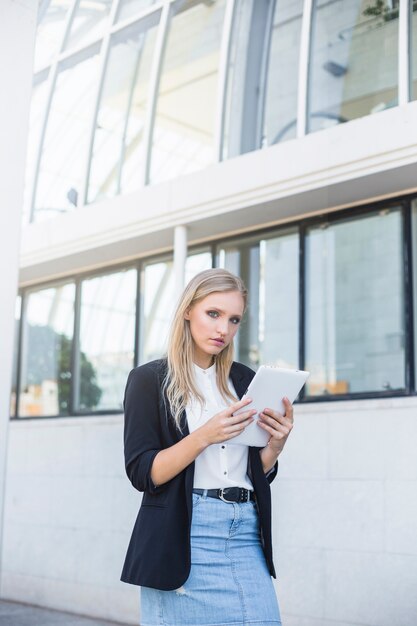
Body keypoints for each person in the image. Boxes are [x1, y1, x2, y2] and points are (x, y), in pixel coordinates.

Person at [120, 268, 294, 626]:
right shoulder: (149, 380)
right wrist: (204, 436)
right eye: (213, 314)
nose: (223, 330)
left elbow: (251, 472)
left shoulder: (245, 380)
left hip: (245, 531)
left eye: (233, 320)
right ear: (188, 310)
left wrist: (275, 447)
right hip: (187, 534)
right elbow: (143, 473)